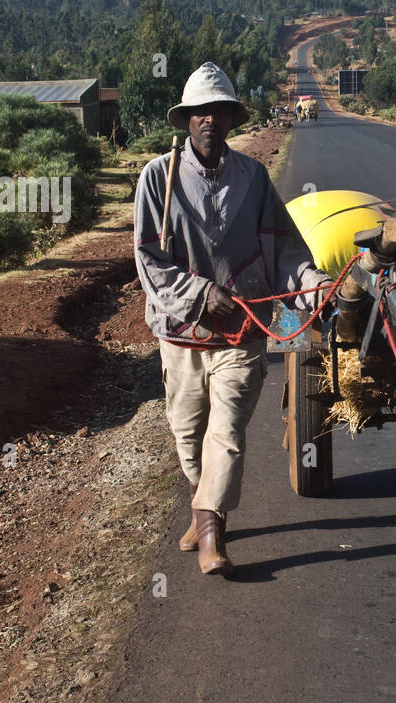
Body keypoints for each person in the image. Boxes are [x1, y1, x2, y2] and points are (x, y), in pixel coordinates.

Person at [133, 63, 332, 575]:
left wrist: (312, 287)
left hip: (243, 330)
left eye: (218, 111)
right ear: (186, 120)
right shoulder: (158, 177)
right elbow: (149, 260)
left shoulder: (253, 177)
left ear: (229, 118)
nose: (209, 121)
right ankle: (205, 506)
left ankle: (210, 536)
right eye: (200, 112)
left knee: (226, 431)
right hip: (180, 332)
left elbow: (284, 250)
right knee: (187, 434)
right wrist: (200, 295)